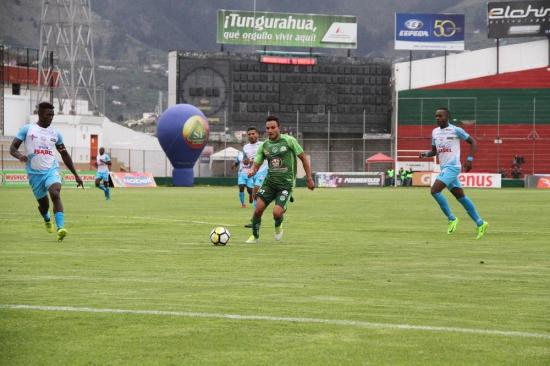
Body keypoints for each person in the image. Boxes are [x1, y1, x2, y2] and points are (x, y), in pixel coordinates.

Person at [9, 102, 84, 241]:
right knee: (44, 206)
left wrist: (76, 175)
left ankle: (61, 228)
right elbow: (12, 148)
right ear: (40, 114)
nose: (51, 118)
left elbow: (65, 154)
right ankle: (47, 218)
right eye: (48, 115)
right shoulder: (27, 129)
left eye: (52, 115)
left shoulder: (55, 134)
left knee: (55, 193)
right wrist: (20, 156)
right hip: (34, 174)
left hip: (51, 169)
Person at [419, 107, 488, 239]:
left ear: (447, 117)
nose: (437, 118)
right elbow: (434, 151)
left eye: (440, 116)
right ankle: (481, 223)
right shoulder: (435, 132)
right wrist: (425, 154)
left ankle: (452, 219)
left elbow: (473, 141)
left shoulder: (456, 130)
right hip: (444, 167)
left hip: (453, 167)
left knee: (434, 191)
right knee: (461, 197)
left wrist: (469, 159)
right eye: (436, 116)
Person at [245, 116, 315, 243]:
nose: (270, 130)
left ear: (279, 128)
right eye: (267, 128)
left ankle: (278, 225)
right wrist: (252, 171)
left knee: (276, 213)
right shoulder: (265, 146)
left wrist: (309, 178)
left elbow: (304, 158)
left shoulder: (289, 141)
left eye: (273, 127)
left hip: (286, 184)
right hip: (270, 183)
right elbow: (256, 164)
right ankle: (255, 236)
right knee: (258, 209)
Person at [242, 127, 269, 228]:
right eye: (249, 134)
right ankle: (255, 220)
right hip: (253, 173)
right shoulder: (245, 147)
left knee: (256, 190)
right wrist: (247, 161)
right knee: (255, 196)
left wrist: (260, 158)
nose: (251, 136)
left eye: (253, 133)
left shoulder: (263, 145)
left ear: (257, 134)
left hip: (263, 171)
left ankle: (255, 220)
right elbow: (245, 161)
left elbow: (268, 156)